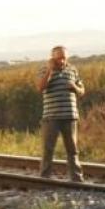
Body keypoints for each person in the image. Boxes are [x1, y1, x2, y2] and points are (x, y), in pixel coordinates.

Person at [36, 46, 86, 182]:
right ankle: (45, 178)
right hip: (51, 117)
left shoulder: (73, 70)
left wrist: (75, 87)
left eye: (64, 57)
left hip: (70, 116)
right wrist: (50, 71)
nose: (62, 61)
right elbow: (40, 87)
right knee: (48, 149)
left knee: (73, 150)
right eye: (59, 58)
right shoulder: (44, 70)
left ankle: (76, 178)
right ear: (52, 58)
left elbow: (82, 91)